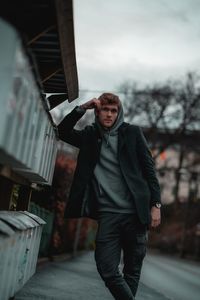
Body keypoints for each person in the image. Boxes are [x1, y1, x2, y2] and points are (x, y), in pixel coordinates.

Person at [58, 92, 161, 300]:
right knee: (107, 268)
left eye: (113, 111)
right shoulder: (89, 136)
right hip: (108, 215)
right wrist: (81, 108)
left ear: (118, 113)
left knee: (132, 271)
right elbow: (62, 131)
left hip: (135, 214)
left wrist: (156, 205)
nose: (109, 114)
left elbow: (149, 170)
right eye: (105, 110)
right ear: (98, 112)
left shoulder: (132, 133)